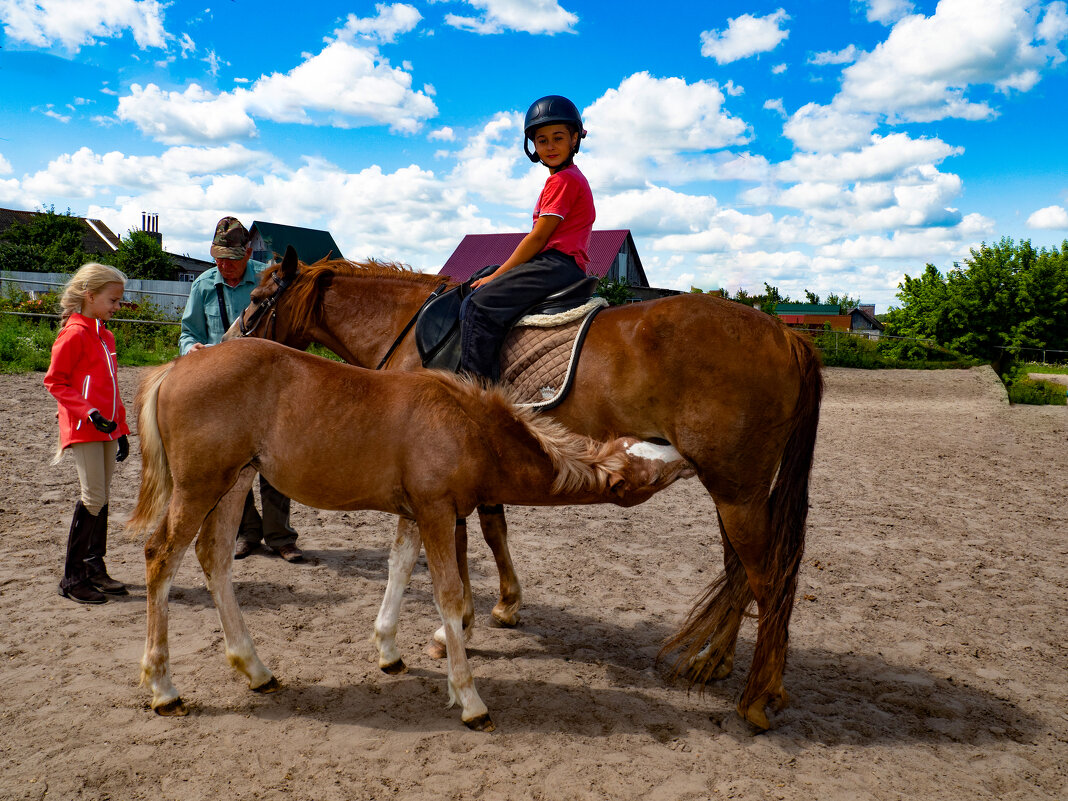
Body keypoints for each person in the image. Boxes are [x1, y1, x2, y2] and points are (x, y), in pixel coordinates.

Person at [179, 216, 303, 563]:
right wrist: (191, 349)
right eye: (219, 259)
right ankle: (247, 533)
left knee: (275, 462)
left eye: (232, 259)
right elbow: (188, 332)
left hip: (268, 390)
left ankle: (281, 536)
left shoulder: (269, 279)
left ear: (248, 253)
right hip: (223, 391)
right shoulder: (203, 285)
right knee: (233, 464)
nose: (225, 266)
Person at [460, 94, 596, 381]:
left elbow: (537, 239)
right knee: (483, 275)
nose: (549, 146)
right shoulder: (566, 178)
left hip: (556, 264)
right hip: (555, 263)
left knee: (478, 303)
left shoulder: (564, 180)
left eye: (558, 137)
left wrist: (497, 277)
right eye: (542, 140)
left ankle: (474, 392)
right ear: (533, 145)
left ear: (574, 139)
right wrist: (495, 272)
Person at [44, 263, 132, 604]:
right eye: (113, 300)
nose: (117, 307)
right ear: (89, 295)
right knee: (93, 496)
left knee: (103, 496)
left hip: (107, 429)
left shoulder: (104, 334)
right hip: (83, 427)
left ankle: (94, 566)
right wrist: (89, 413)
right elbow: (55, 381)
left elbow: (111, 387)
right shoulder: (74, 334)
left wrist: (121, 429)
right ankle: (73, 577)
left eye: (119, 301)